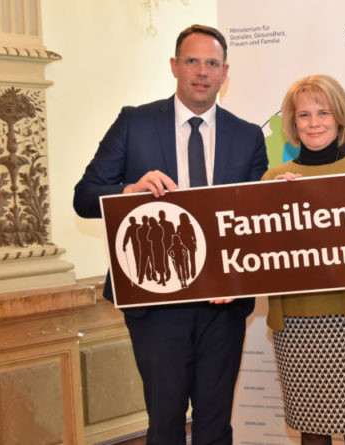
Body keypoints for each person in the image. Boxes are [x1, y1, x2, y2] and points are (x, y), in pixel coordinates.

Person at [73, 24, 268, 444]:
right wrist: (128, 190)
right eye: (192, 61)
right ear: (174, 66)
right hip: (156, 303)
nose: (201, 71)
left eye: (211, 63)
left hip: (223, 304)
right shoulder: (134, 123)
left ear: (224, 72)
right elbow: (84, 197)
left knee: (215, 426)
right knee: (164, 425)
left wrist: (239, 278)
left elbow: (253, 222)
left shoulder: (248, 136)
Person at [262, 74, 345, 445]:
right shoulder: (273, 179)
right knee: (312, 433)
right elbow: (264, 258)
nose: (314, 122)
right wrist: (275, 206)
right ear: (292, 123)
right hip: (298, 323)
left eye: (323, 112)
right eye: (304, 115)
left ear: (339, 117)